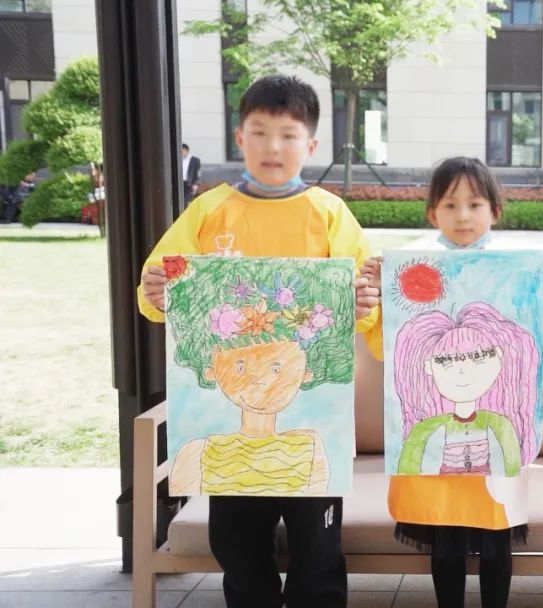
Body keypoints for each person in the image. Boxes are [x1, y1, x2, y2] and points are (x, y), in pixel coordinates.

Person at [138, 74, 381, 608]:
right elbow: (160, 292)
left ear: (311, 145)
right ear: (239, 137)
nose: (274, 146)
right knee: (238, 545)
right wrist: (157, 291)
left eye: (289, 135)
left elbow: (364, 303)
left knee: (318, 550)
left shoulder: (328, 213)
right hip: (228, 421)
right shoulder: (209, 210)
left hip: (314, 418)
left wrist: (366, 305)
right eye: (260, 132)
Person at [356, 156, 543, 608]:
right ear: (433, 213)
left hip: (494, 438)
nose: (463, 215)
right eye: (450, 204)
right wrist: (378, 294)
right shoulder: (410, 274)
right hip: (437, 443)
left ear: (495, 211)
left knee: (496, 539)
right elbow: (386, 347)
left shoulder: (517, 274)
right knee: (444, 543)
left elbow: (542, 345)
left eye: (475, 204)